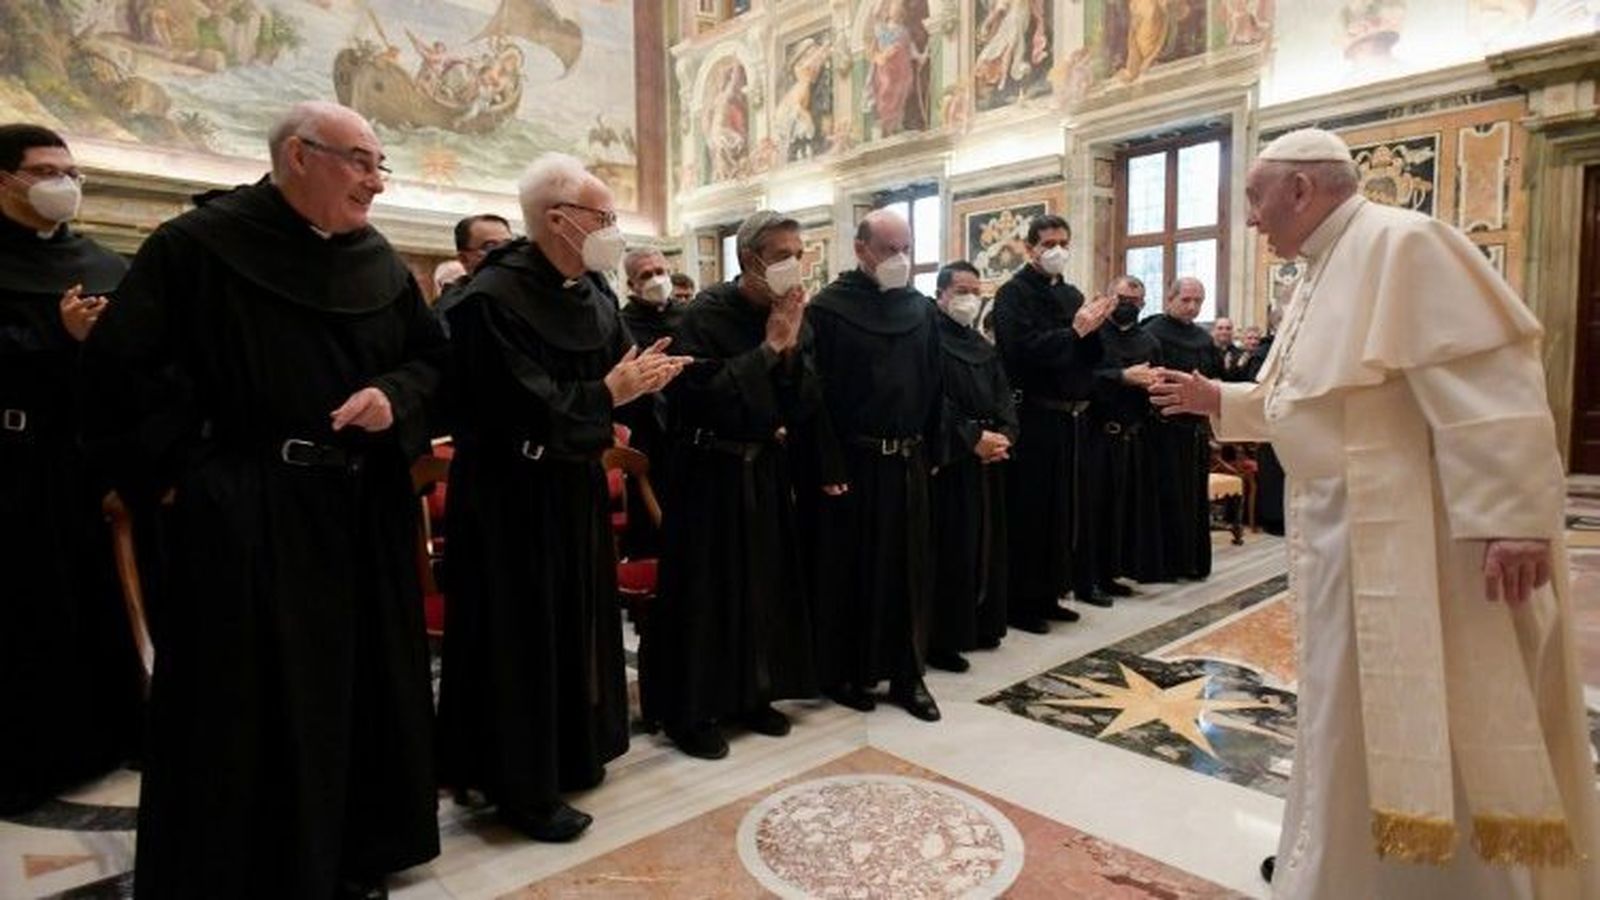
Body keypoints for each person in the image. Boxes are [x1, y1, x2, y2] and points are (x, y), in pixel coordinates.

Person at [1153, 127, 1599, 900]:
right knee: (1340, 712)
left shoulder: (1407, 245)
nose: (1252, 220)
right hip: (1340, 535)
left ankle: (1445, 883)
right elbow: (1313, 399)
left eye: (1256, 198)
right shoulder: (1321, 269)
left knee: (1430, 707)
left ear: (1302, 188)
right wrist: (1217, 399)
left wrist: (1517, 518)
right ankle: (1342, 864)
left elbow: (1493, 389)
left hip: (1421, 543)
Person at [84, 101, 445, 900]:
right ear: (297, 155)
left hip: (358, 508)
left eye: (381, 165)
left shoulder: (379, 260)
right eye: (361, 161)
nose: (376, 183)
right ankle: (250, 870)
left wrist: (393, 395)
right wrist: (189, 476)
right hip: (246, 513)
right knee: (248, 703)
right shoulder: (197, 247)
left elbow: (431, 362)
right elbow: (121, 373)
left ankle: (348, 853)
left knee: (355, 689)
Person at [436, 152, 689, 843]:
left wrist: (646, 382)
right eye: (603, 217)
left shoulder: (595, 291)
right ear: (557, 219)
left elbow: (617, 371)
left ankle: (574, 750)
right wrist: (610, 394)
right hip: (509, 498)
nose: (613, 229)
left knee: (577, 624)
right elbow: (523, 404)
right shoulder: (491, 300)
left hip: (572, 486)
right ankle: (519, 785)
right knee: (521, 638)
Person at [639, 210, 820, 759]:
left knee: (762, 586)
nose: (794, 264)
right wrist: (767, 349)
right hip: (706, 471)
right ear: (750, 260)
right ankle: (688, 712)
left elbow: (804, 401)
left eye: (798, 252)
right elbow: (701, 395)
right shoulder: (703, 315)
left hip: (762, 467)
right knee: (704, 596)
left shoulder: (791, 314)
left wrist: (787, 354)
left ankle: (751, 693)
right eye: (782, 254)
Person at [0, 123, 141, 815]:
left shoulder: (104, 263)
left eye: (73, 170)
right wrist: (55, 338)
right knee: (22, 606)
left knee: (91, 599)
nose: (66, 182)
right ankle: (27, 755)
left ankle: (103, 736)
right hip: (7, 465)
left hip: (82, 464)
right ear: (5, 179)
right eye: (46, 169)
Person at [804, 208, 943, 721]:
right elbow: (815, 396)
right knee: (854, 569)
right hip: (855, 464)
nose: (900, 259)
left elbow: (935, 383)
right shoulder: (829, 309)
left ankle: (909, 676)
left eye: (906, 249)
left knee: (910, 570)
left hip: (909, 459)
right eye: (890, 249)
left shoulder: (921, 309)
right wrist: (828, 463)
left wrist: (933, 448)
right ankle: (849, 672)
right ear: (861, 249)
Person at [992, 213, 1115, 631]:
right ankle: (1022, 602)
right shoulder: (1012, 295)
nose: (1056, 250)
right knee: (1033, 512)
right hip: (1036, 416)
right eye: (1048, 244)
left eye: (1063, 241)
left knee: (1066, 511)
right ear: (1029, 249)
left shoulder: (1073, 293)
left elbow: (1090, 355)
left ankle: (1052, 592)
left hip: (1072, 419)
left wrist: (1097, 328)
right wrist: (1075, 333)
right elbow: (1020, 350)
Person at [926, 261, 1017, 672]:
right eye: (961, 290)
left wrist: (1005, 436)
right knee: (952, 548)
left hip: (989, 457)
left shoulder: (981, 345)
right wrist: (971, 440)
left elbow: (1004, 396)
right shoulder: (927, 339)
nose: (969, 299)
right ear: (941, 294)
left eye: (975, 291)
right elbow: (930, 400)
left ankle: (984, 622)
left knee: (986, 544)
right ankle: (946, 635)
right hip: (952, 458)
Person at [1089, 275, 1166, 585]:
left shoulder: (1149, 342)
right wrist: (1122, 376)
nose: (1127, 307)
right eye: (1121, 301)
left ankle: (1118, 571)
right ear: (1109, 299)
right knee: (1097, 509)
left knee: (1127, 509)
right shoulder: (1092, 336)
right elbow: (1081, 379)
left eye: (1134, 303)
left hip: (1135, 436)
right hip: (1097, 433)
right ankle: (1092, 577)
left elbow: (1157, 385)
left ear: (1143, 305)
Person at [1143, 276, 1221, 581]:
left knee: (1193, 496)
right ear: (1170, 299)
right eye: (1186, 300)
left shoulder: (1203, 339)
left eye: (1198, 301)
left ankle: (1193, 561)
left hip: (1195, 431)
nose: (1192, 307)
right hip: (1162, 431)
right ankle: (1168, 564)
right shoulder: (1152, 333)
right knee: (1166, 495)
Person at [615, 247, 685, 554]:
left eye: (661, 272)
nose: (657, 279)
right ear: (631, 285)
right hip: (647, 435)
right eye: (646, 275)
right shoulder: (620, 324)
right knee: (651, 529)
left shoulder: (690, 316)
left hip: (690, 430)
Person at [435, 213, 513, 336]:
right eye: (490, 247)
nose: (504, 253)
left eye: (508, 245)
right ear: (464, 259)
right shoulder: (454, 309)